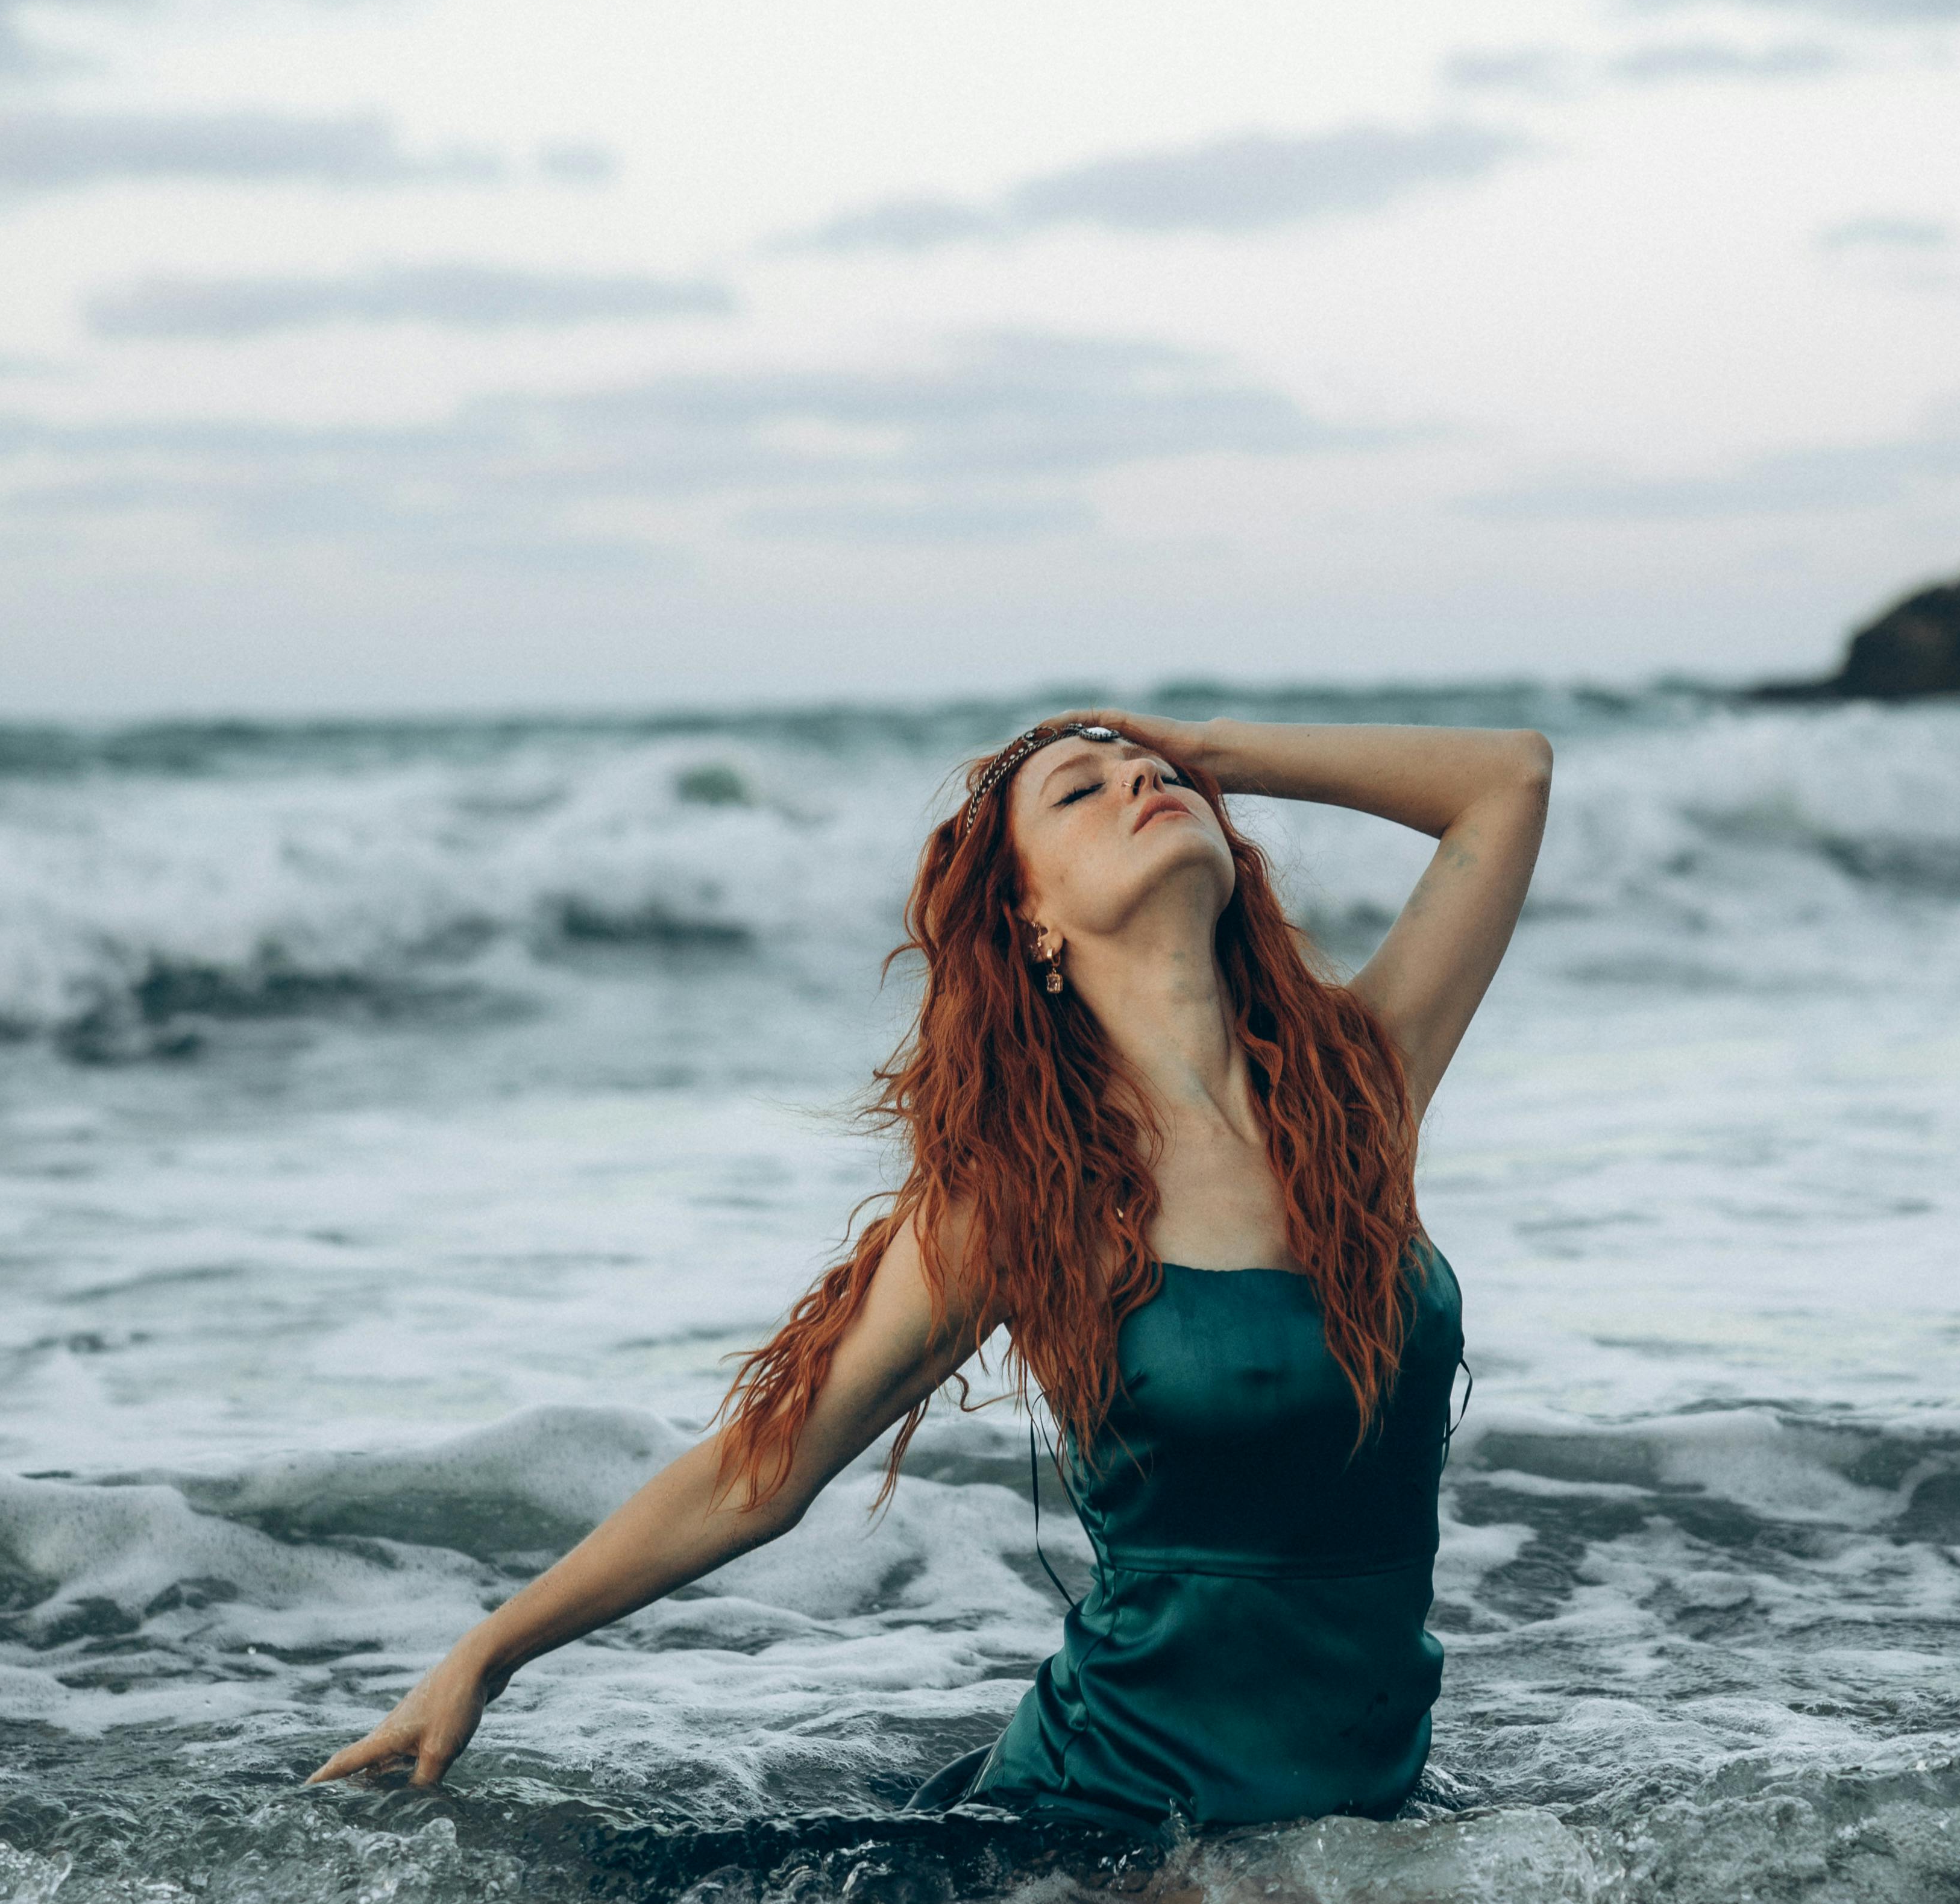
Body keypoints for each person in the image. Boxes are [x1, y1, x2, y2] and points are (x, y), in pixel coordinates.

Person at [309, 714, 1551, 1827]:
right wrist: (487, 1655)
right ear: (1030, 920)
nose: (1139, 783)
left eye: (1160, 777)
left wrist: (1210, 746)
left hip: (1365, 1813)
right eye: (1082, 791)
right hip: (1125, 1817)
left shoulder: (1358, 1096)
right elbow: (762, 1472)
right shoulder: (1023, 1200)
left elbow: (1505, 778)